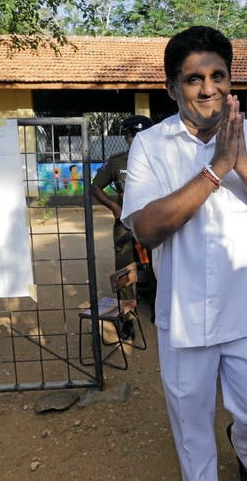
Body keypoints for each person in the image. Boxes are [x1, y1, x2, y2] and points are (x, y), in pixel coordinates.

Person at [121, 26, 247, 481]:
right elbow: (146, 229)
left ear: (230, 80)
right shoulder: (150, 145)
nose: (209, 88)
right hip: (184, 316)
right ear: (172, 88)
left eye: (218, 75)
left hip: (246, 310)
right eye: (193, 79)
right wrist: (216, 168)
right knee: (190, 425)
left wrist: (242, 163)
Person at [91, 115, 154, 339]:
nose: (137, 139)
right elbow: (95, 187)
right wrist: (113, 207)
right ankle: (127, 320)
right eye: (132, 135)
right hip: (125, 226)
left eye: (142, 134)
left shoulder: (161, 160)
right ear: (127, 138)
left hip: (155, 224)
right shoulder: (117, 162)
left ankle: (158, 309)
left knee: (157, 267)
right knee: (125, 273)